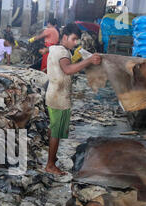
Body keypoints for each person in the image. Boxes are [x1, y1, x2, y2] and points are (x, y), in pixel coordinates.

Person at [44, 23, 102, 175]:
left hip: (54, 94)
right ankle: (50, 164)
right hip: (59, 97)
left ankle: (52, 156)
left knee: (54, 128)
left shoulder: (57, 49)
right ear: (64, 37)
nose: (75, 42)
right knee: (56, 132)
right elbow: (68, 69)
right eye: (73, 39)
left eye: (77, 40)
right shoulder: (62, 52)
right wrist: (88, 61)